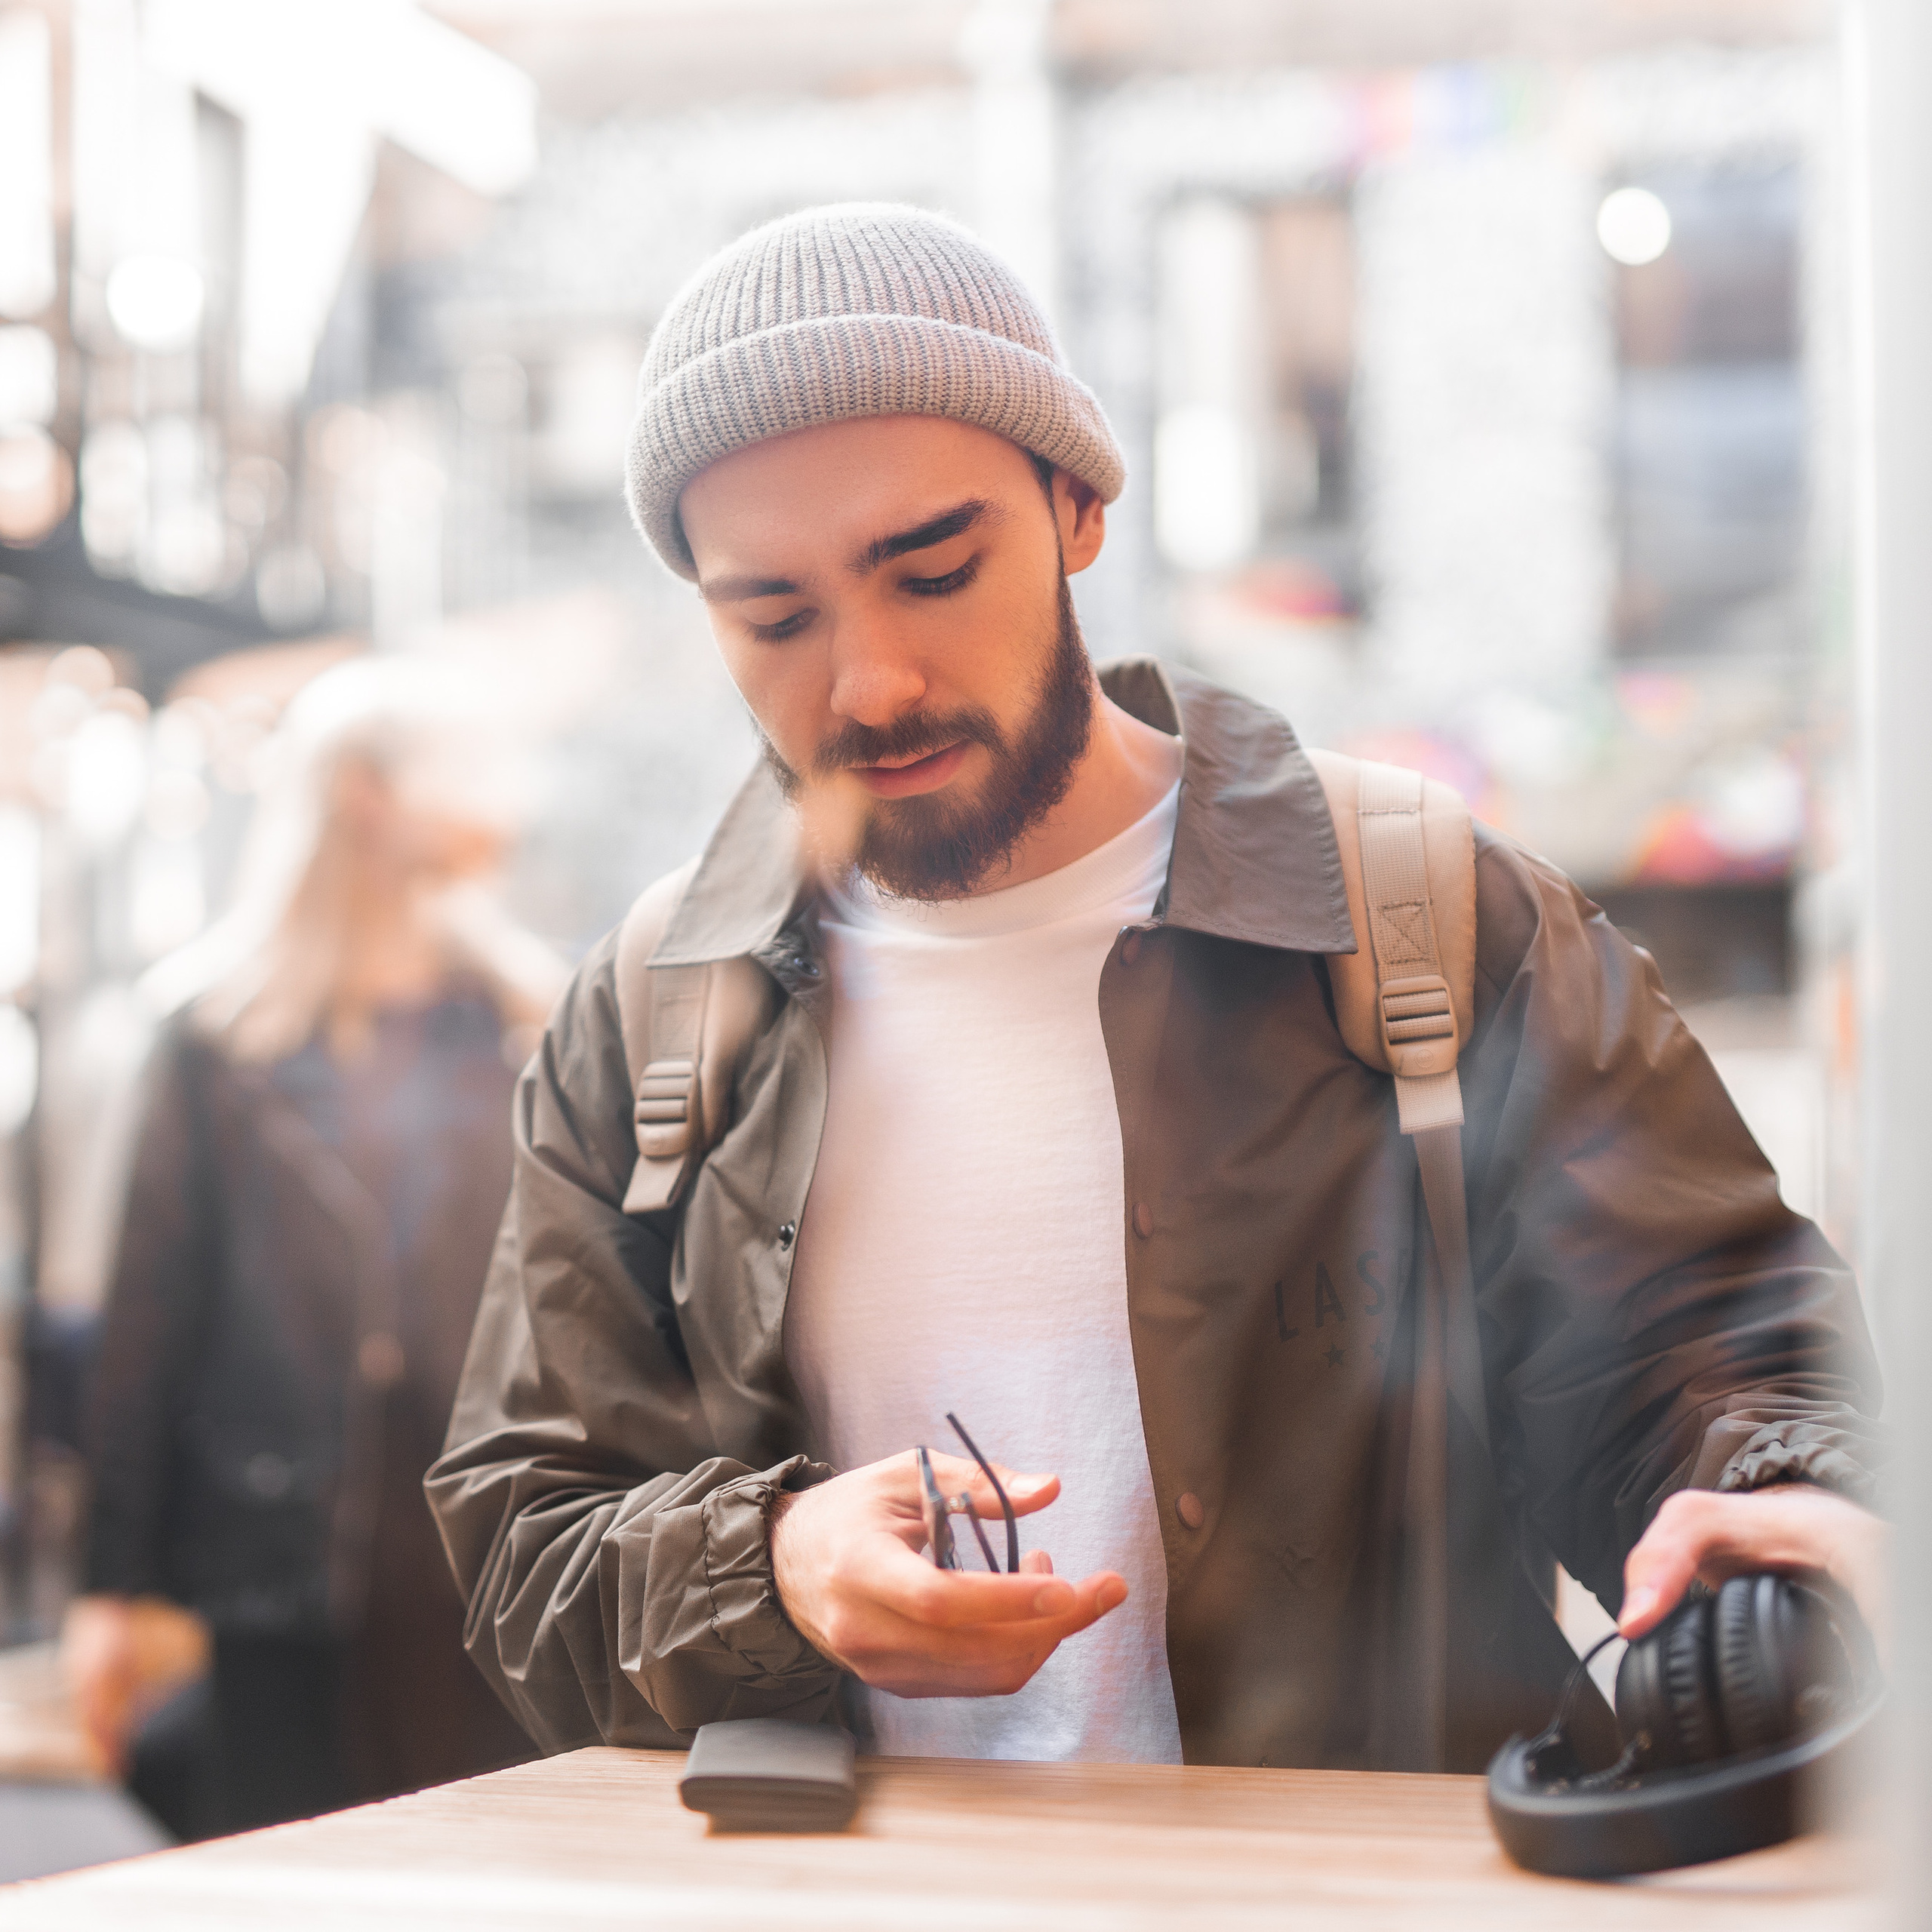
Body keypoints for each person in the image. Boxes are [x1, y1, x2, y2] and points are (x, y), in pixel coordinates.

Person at [427, 204, 1885, 1772]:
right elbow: (524, 1541)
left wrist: (1788, 1504)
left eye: (931, 569)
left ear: (1075, 509)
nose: (866, 682)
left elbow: (1700, 1349)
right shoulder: (653, 1006)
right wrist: (768, 1566)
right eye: (770, 615)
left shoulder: (1417, 914)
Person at [69, 660, 560, 1835]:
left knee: (479, 1871)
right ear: (362, 794)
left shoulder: (522, 1020)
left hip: (486, 1557)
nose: (499, 809)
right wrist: (109, 1588)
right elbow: (146, 1317)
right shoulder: (215, 1041)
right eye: (461, 778)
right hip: (278, 1562)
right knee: (285, 1864)